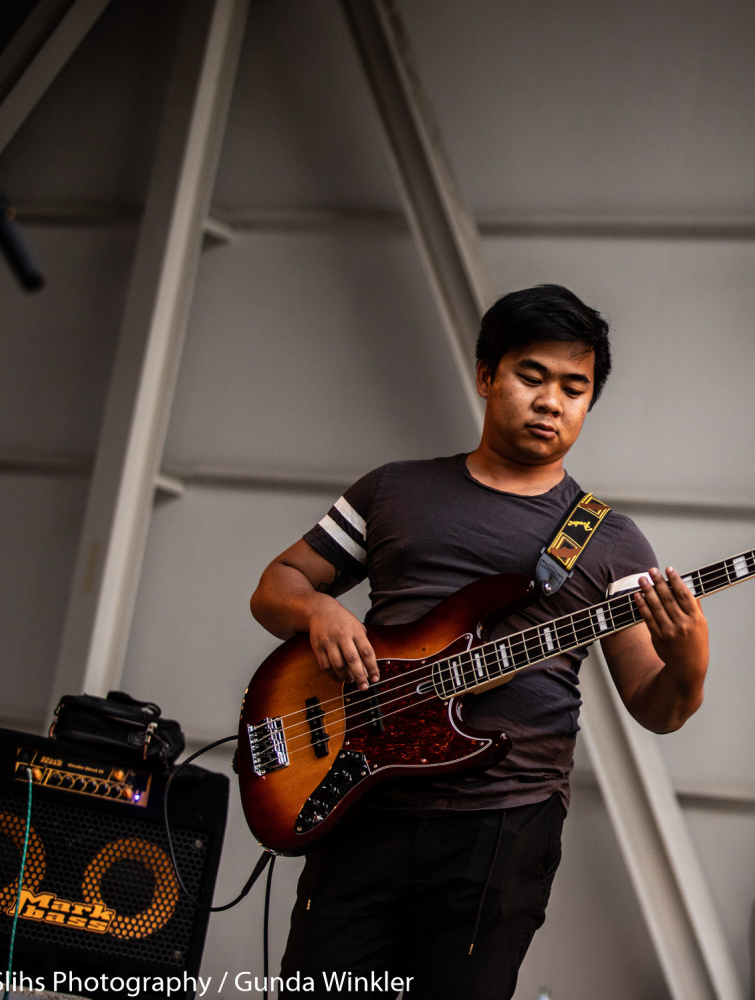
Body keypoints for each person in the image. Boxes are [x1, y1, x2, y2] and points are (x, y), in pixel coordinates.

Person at [248, 284, 710, 999]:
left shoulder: (611, 542)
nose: (552, 401)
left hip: (503, 827)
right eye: (532, 376)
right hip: (362, 799)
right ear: (487, 376)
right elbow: (277, 584)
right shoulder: (395, 491)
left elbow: (658, 707)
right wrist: (319, 613)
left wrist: (690, 661)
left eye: (574, 387)